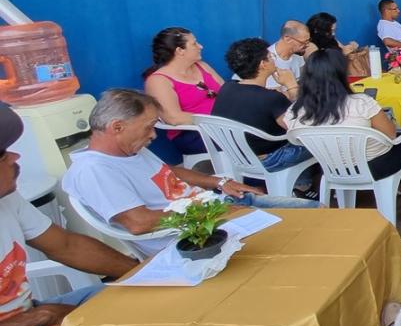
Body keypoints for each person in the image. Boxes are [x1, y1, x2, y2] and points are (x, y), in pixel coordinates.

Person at [62, 89, 319, 257]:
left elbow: (168, 172)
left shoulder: (130, 150)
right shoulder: (95, 170)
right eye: (149, 127)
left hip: (219, 207)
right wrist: (213, 213)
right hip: (200, 234)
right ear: (117, 126)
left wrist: (219, 182)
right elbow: (138, 222)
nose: (153, 135)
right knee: (306, 232)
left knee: (319, 213)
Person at [0, 104, 138, 326]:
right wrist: (41, 316)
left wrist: (143, 273)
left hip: (27, 322)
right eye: (2, 154)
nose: (15, 157)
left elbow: (66, 246)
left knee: (145, 304)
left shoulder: (7, 199)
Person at [284, 49, 401, 198]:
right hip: (375, 166)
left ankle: (344, 191)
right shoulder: (361, 103)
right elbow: (391, 134)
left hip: (331, 168)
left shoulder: (294, 111)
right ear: (341, 73)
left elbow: (296, 138)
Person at [212, 38, 314, 178]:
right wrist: (291, 85)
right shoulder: (271, 98)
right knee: (320, 142)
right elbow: (300, 128)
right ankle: (305, 185)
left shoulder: (227, 87)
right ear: (263, 64)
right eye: (270, 57)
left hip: (234, 157)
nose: (273, 59)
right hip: (269, 160)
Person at [142, 27, 225, 158]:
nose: (200, 46)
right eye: (194, 43)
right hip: (194, 133)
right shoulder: (158, 80)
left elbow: (227, 93)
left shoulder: (202, 66)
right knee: (251, 140)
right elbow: (173, 118)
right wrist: (221, 121)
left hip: (226, 125)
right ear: (180, 51)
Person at [266, 20, 309, 99]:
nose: (307, 45)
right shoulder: (267, 60)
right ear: (288, 39)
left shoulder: (298, 56)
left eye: (308, 41)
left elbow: (303, 83)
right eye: (303, 42)